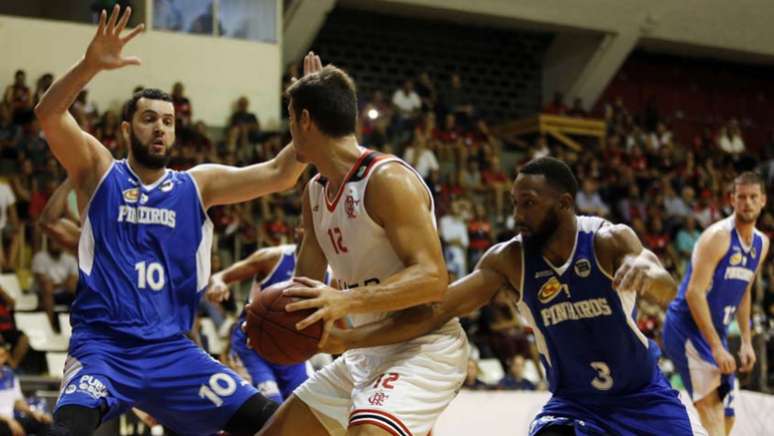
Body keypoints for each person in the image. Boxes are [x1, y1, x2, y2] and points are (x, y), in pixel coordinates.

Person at [33, 6, 308, 435]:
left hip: (172, 352)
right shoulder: (98, 170)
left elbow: (281, 173)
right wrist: (89, 66)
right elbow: (49, 114)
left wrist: (306, 114)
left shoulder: (198, 185)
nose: (160, 128)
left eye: (168, 121)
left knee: (276, 424)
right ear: (126, 129)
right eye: (148, 119)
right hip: (104, 350)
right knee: (67, 429)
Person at [323, 157, 706, 435]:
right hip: (576, 406)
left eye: (528, 204)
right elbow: (435, 312)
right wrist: (349, 339)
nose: (516, 215)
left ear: (564, 205)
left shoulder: (609, 241)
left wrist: (651, 276)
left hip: (642, 398)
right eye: (514, 203)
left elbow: (665, 285)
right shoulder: (510, 260)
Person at [258, 60, 468, 436]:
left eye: (290, 119)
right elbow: (305, 285)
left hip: (423, 347)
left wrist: (346, 302)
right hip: (366, 349)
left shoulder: (387, 179)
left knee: (368, 432)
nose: (288, 131)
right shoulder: (314, 192)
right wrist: (268, 315)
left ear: (305, 121)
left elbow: (434, 280)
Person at [663, 172, 769, 436]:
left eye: (753, 197)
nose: (747, 202)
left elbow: (745, 290)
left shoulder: (761, 243)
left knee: (728, 417)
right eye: (741, 197)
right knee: (712, 409)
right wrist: (717, 347)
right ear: (732, 199)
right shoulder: (717, 237)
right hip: (686, 327)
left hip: (715, 331)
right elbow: (693, 294)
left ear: (763, 201)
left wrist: (745, 340)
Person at [207, 239, 312, 404]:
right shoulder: (273, 258)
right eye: (303, 226)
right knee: (270, 406)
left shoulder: (329, 273)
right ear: (297, 229)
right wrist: (218, 284)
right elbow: (220, 276)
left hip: (291, 352)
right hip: (253, 345)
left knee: (302, 410)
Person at [0, 346, 52, 436]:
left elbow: (17, 402)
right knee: (6, 431)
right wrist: (9, 420)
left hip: (11, 418)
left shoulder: (9, 374)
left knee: (45, 424)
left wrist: (33, 413)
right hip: (3, 420)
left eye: (2, 355)